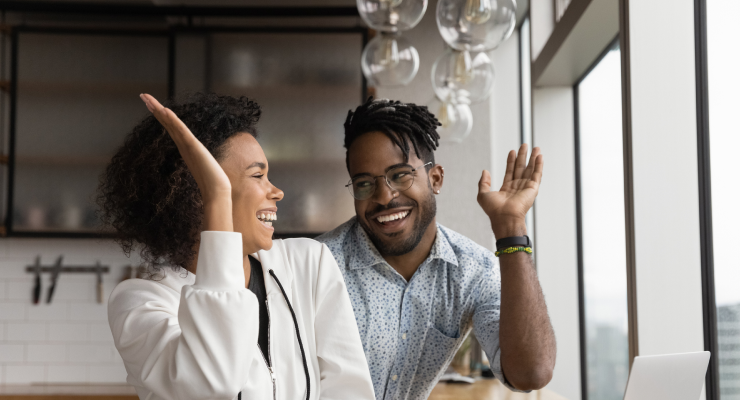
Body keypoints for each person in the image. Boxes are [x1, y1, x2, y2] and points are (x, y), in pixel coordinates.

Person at [100, 93, 375, 400]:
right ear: (195, 193)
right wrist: (217, 195)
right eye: (258, 175)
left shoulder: (309, 263)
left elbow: (350, 391)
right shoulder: (140, 303)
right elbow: (211, 384)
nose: (277, 191)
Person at [316, 98, 557, 400]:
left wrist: (511, 229)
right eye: (364, 183)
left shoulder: (473, 271)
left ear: (436, 178)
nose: (384, 196)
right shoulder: (318, 265)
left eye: (400, 174)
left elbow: (530, 374)